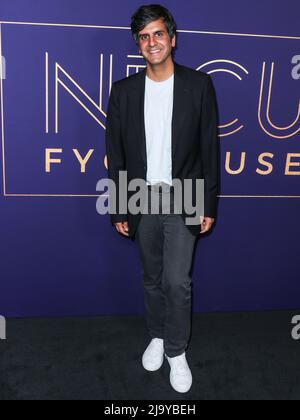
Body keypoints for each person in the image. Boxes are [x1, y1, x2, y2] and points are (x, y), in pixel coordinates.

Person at [105, 4, 219, 393]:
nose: (152, 42)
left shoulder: (198, 85)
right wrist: (120, 205)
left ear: (172, 38)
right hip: (140, 195)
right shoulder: (123, 91)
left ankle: (176, 350)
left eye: (158, 34)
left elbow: (209, 149)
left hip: (185, 194)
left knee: (177, 281)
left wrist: (208, 204)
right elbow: (116, 153)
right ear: (138, 45)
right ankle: (156, 334)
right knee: (152, 277)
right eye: (144, 36)